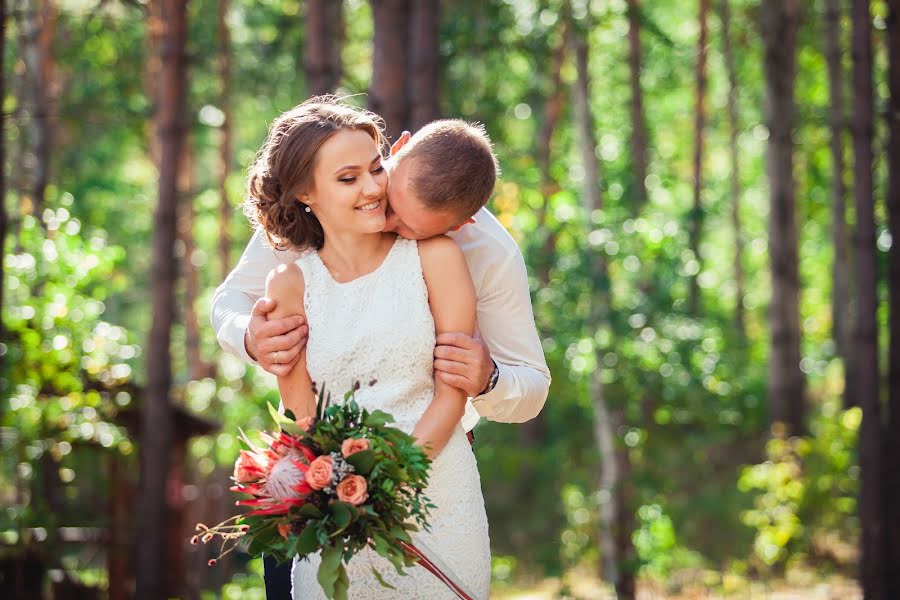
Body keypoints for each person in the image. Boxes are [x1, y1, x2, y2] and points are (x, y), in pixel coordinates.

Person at [211, 96, 550, 597]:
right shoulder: (318, 210)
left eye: (408, 225)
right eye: (376, 186)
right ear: (400, 149)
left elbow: (530, 385)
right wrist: (251, 335)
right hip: (326, 474)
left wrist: (488, 378)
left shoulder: (476, 253)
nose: (381, 211)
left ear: (460, 224)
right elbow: (232, 300)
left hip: (435, 475)